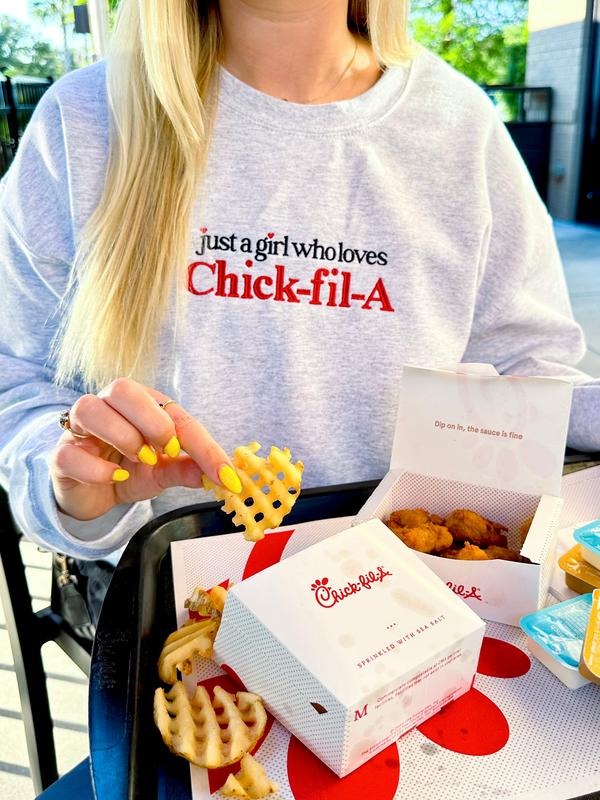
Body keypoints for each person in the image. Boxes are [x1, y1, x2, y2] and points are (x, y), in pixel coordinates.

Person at [0, 0, 598, 623]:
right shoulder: (86, 122)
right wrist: (66, 479)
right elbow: (18, 377)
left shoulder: (461, 128)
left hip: (407, 596)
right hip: (161, 598)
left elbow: (527, 370)